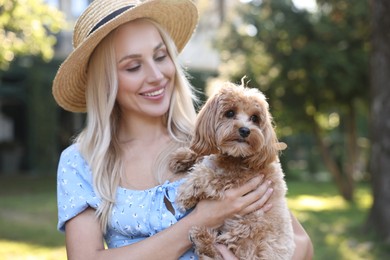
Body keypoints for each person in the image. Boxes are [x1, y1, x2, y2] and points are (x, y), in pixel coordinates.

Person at [53, 0, 313, 259]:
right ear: (105, 82)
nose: (156, 75)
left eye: (160, 56)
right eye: (133, 66)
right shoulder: (81, 162)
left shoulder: (213, 142)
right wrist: (203, 219)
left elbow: (300, 244)